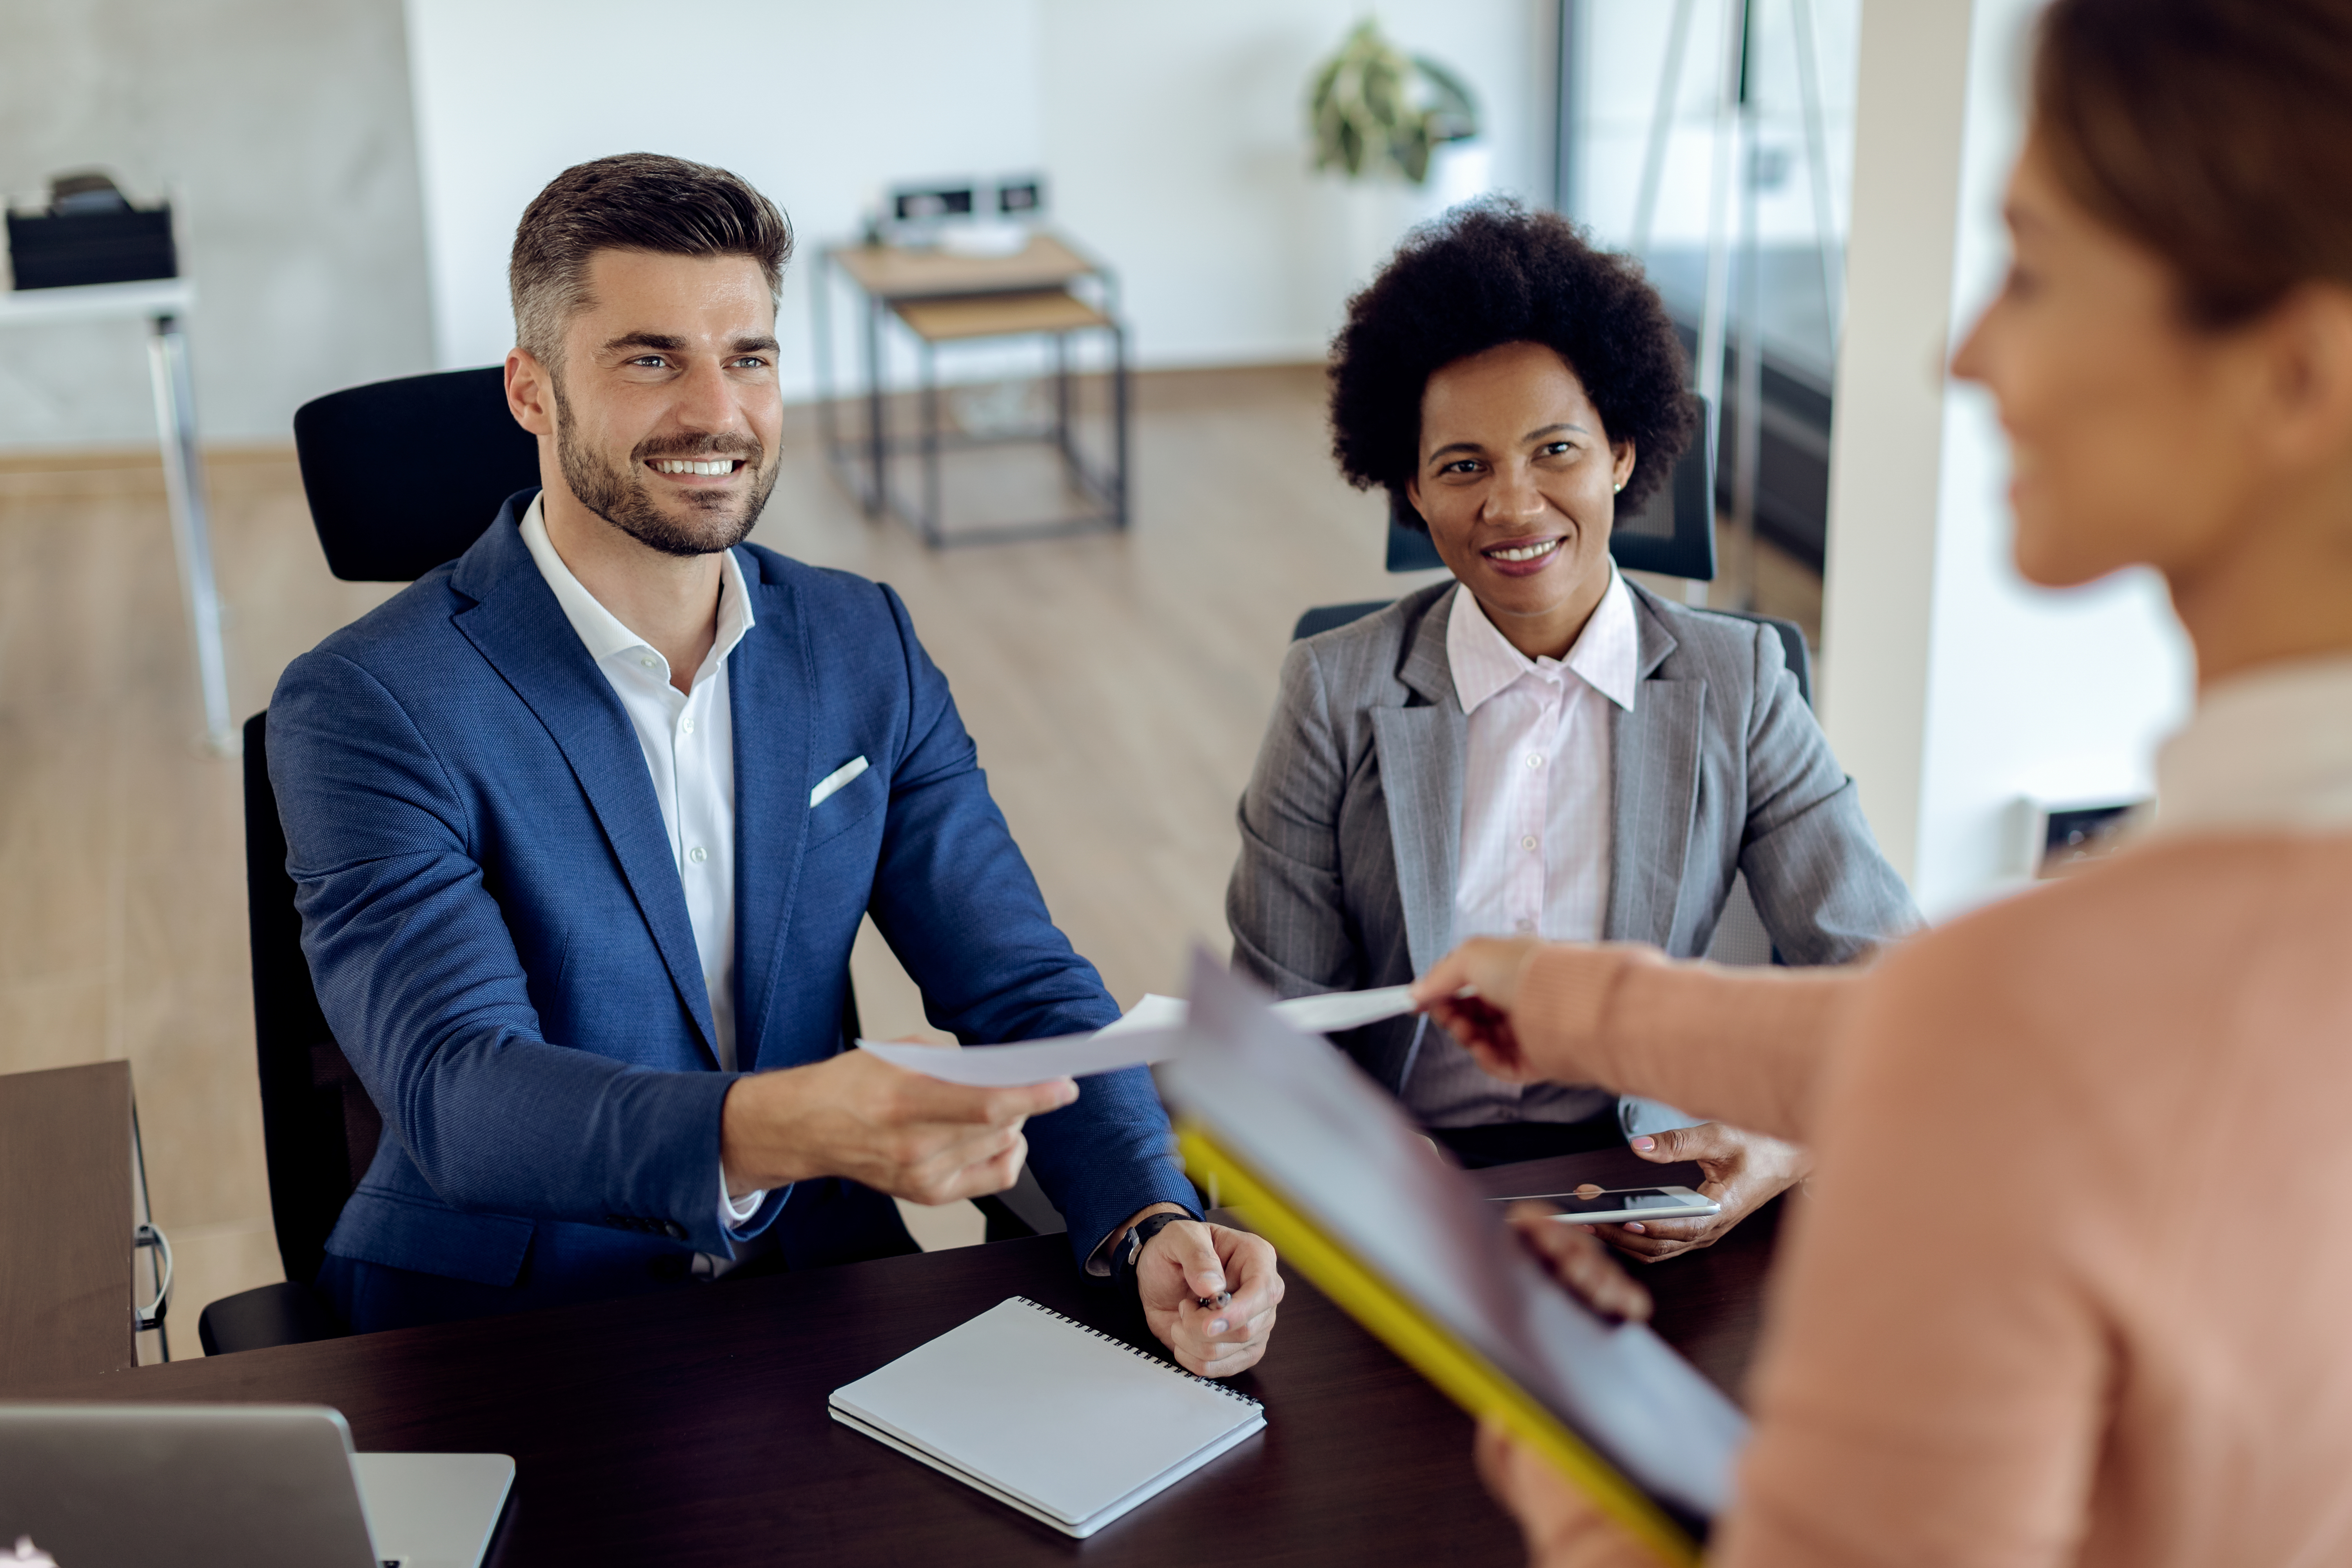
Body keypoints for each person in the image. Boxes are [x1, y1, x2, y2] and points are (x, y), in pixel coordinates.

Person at [1417, 0, 2352, 1559]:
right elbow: (2003, 1048)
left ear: (2299, 372)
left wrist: (1571, 1446)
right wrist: (1588, 1010)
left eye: (2036, 268)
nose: (1966, 349)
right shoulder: (2119, 998)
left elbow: (1997, 1055)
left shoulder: (2024, 1019)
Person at [270, 154, 1280, 1374]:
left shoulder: (863, 644)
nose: (717, 412)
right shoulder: (368, 701)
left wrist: (1147, 1216)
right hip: (512, 1319)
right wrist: (784, 1127)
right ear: (531, 391)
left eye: (749, 358)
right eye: (652, 359)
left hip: (817, 1285)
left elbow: (1020, 986)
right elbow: (457, 1092)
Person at [1226, 201, 1915, 1259]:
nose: (1514, 504)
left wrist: (1781, 1149)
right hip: (1399, 1192)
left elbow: (1885, 975)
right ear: (1410, 487)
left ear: (1623, 453)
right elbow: (1278, 1022)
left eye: (1555, 450)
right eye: (1463, 467)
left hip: (1653, 1175)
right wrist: (1357, 1159)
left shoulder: (1739, 682)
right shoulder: (1335, 689)